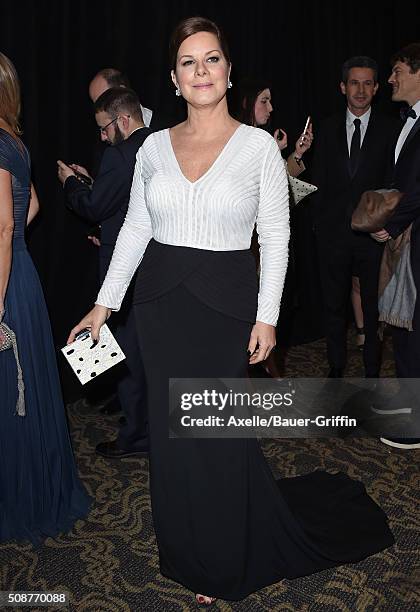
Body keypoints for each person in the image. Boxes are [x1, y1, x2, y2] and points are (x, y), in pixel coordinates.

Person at [68, 18, 393, 604]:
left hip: (225, 304)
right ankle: (184, 545)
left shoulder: (256, 148)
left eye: (211, 59)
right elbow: (137, 230)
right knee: (173, 437)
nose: (201, 71)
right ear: (173, 79)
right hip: (161, 301)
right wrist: (102, 305)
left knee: (215, 433)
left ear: (227, 70)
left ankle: (221, 554)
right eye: (188, 63)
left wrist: (267, 315)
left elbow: (276, 234)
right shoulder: (151, 149)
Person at [0, 52, 90, 544]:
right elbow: (30, 205)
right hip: (21, 274)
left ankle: (19, 499)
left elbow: (10, 222)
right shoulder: (14, 141)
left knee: (11, 396)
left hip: (5, 284)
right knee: (26, 393)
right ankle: (38, 488)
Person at [57, 87, 151, 459]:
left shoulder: (118, 154)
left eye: (103, 128)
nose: (101, 136)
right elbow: (125, 201)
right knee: (143, 354)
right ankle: (146, 427)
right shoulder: (160, 145)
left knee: (126, 356)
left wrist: (69, 184)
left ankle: (134, 437)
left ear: (123, 120)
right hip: (154, 268)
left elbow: (96, 208)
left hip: (122, 271)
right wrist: (90, 182)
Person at [311, 56, 400, 378]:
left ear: (376, 88)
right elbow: (319, 181)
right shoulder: (326, 127)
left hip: (374, 236)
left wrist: (388, 225)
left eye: (367, 83)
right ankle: (336, 367)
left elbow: (395, 183)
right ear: (342, 87)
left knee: (374, 307)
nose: (360, 90)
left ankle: (372, 370)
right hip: (333, 236)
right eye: (354, 83)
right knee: (333, 306)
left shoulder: (393, 129)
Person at [370, 43, 420, 450]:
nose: (391, 79)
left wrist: (390, 223)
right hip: (407, 239)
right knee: (404, 326)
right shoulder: (406, 120)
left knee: (413, 329)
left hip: (412, 236)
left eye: (398, 70)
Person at [237, 77, 313, 177]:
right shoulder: (235, 137)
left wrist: (298, 153)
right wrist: (272, 151)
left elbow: (280, 180)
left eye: (269, 102)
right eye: (264, 101)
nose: (270, 108)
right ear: (246, 102)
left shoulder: (261, 136)